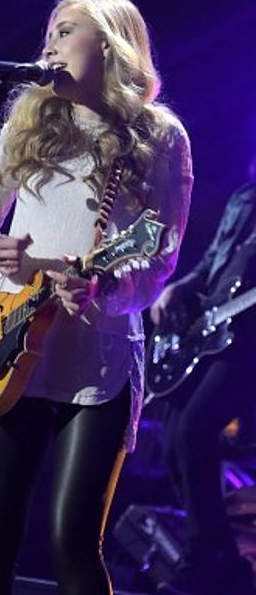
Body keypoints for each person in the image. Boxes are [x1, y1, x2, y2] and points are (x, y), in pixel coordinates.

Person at [0, 0, 193, 595]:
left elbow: (160, 256)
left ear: (108, 46)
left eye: (65, 33)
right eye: (50, 34)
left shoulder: (159, 137)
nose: (49, 46)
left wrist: (106, 285)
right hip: (8, 349)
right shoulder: (27, 120)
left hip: (99, 361)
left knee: (73, 542)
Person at [150, 154, 256, 595]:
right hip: (214, 329)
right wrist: (178, 287)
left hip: (250, 340)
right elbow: (214, 261)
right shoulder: (244, 197)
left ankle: (207, 555)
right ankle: (221, 559)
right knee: (174, 432)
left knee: (194, 429)